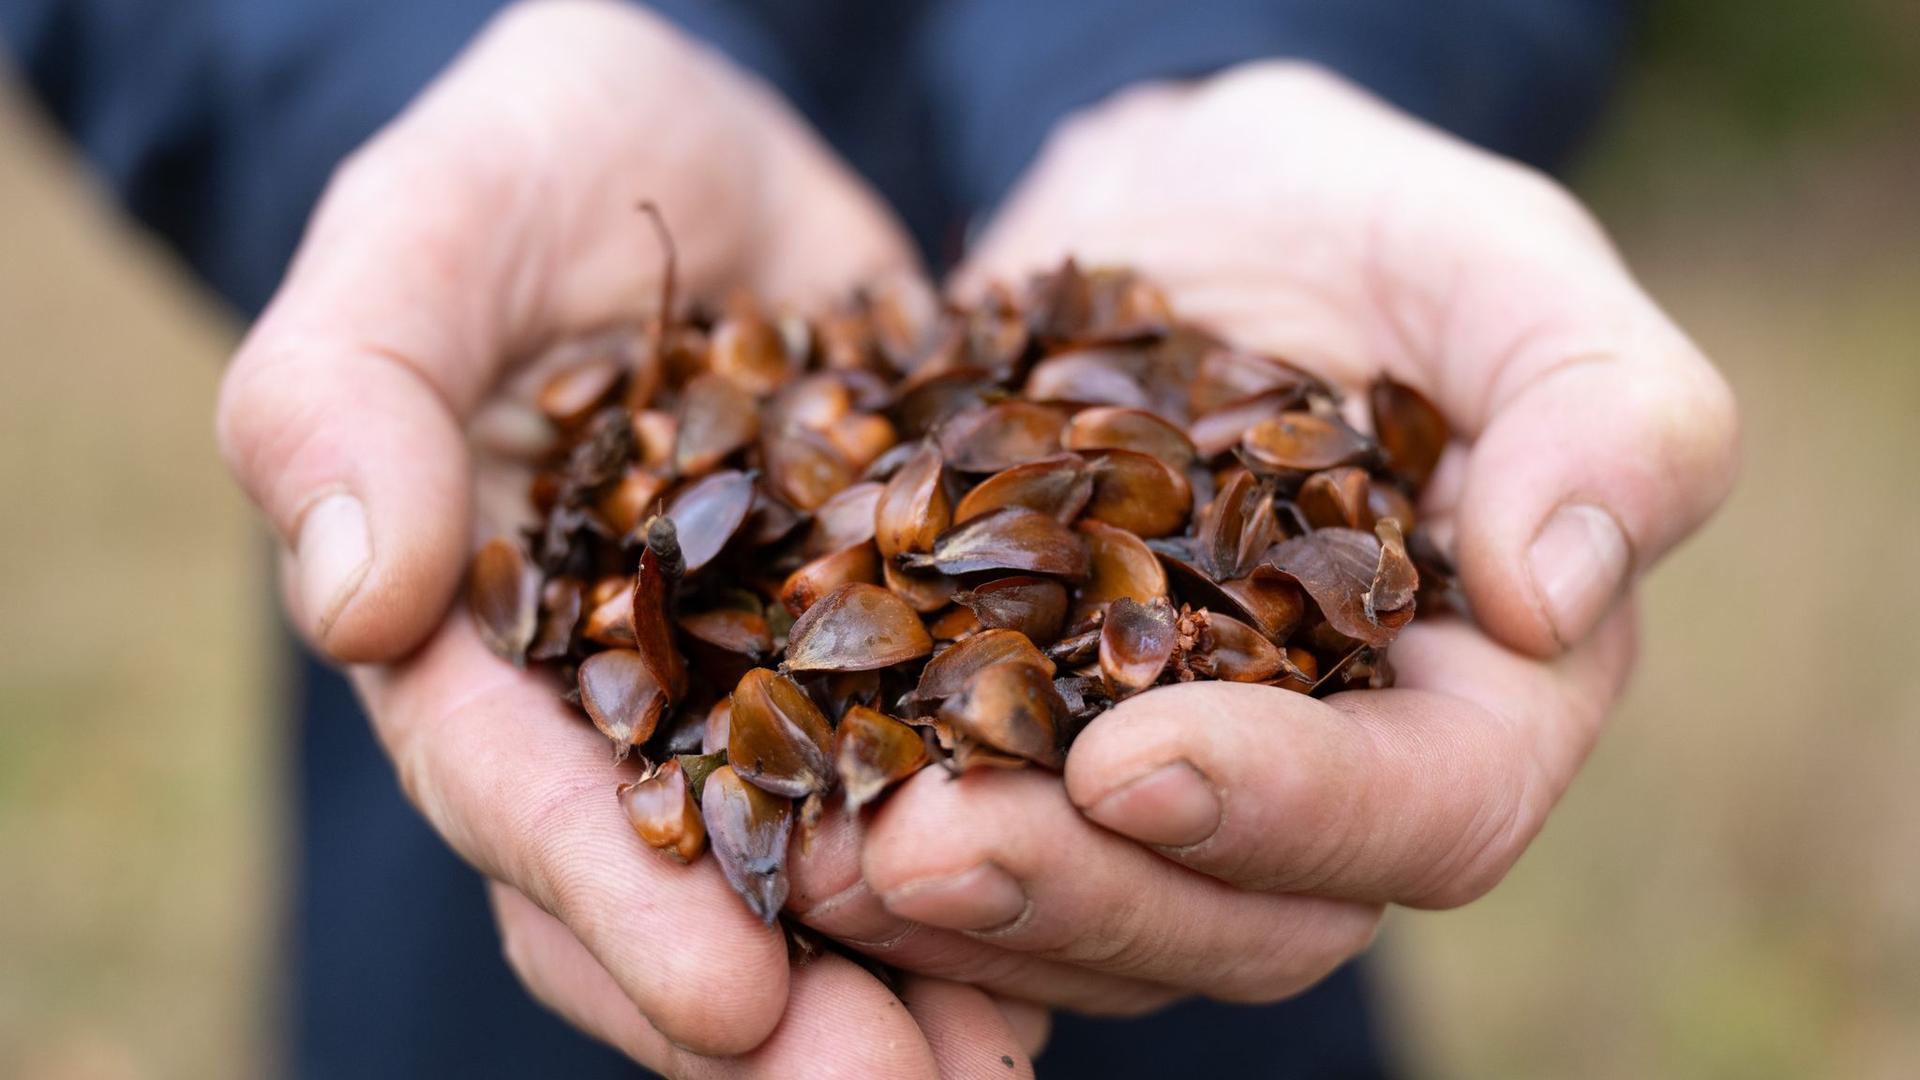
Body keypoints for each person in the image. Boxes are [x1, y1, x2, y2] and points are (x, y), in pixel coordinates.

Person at [2, 1, 1740, 1075]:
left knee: (1183, 851)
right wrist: (432, 51)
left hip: (1211, 942)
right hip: (488, 899)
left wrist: (1248, 38)